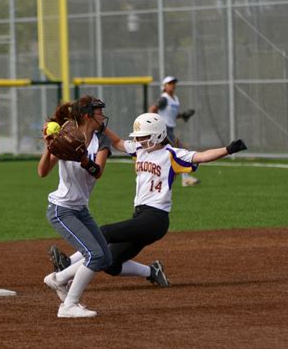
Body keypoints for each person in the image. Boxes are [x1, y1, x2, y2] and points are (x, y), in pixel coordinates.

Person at [49, 113, 247, 287]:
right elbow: (118, 143)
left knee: (105, 232)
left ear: (158, 134)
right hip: (140, 216)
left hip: (155, 218)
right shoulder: (140, 150)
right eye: (139, 137)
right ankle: (152, 272)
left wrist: (228, 149)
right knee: (109, 263)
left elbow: (202, 156)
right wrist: (103, 128)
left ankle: (67, 265)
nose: (140, 140)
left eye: (144, 136)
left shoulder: (172, 154)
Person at [38, 95, 112, 318]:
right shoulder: (66, 135)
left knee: (105, 258)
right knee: (94, 255)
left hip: (80, 209)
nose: (102, 115)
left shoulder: (102, 141)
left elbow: (97, 172)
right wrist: (48, 145)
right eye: (99, 111)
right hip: (61, 209)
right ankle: (69, 305)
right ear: (88, 115)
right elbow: (42, 172)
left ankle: (58, 279)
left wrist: (84, 159)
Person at [149, 76, 200, 187]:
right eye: (170, 83)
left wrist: (182, 115)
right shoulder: (164, 98)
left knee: (170, 154)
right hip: (164, 129)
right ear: (164, 86)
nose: (173, 85)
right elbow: (152, 109)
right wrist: (153, 123)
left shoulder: (175, 99)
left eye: (173, 83)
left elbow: (171, 114)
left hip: (170, 129)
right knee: (181, 151)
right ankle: (185, 179)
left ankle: (157, 176)